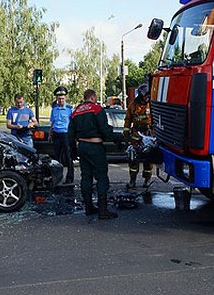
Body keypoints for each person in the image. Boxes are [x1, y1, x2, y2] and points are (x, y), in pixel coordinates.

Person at [68, 89, 119, 219]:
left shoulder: (76, 112)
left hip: (82, 147)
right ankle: (103, 211)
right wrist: (118, 141)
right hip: (95, 147)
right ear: (93, 97)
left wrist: (73, 151)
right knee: (102, 177)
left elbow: (70, 135)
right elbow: (104, 129)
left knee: (86, 177)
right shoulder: (97, 109)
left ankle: (89, 207)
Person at [123, 83, 154, 188]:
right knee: (133, 160)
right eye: (146, 96)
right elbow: (128, 119)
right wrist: (126, 133)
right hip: (136, 136)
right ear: (141, 95)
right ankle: (132, 180)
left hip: (149, 136)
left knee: (148, 160)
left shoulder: (152, 105)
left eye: (148, 96)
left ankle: (147, 180)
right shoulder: (133, 105)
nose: (147, 98)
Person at [50, 86, 74, 184]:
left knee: (68, 157)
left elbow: (72, 123)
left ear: (65, 98)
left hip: (66, 134)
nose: (61, 100)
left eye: (62, 98)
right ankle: (57, 177)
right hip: (56, 134)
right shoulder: (54, 109)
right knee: (56, 158)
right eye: (59, 98)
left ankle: (70, 177)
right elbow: (52, 122)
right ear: (56, 98)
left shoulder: (69, 109)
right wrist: (50, 133)